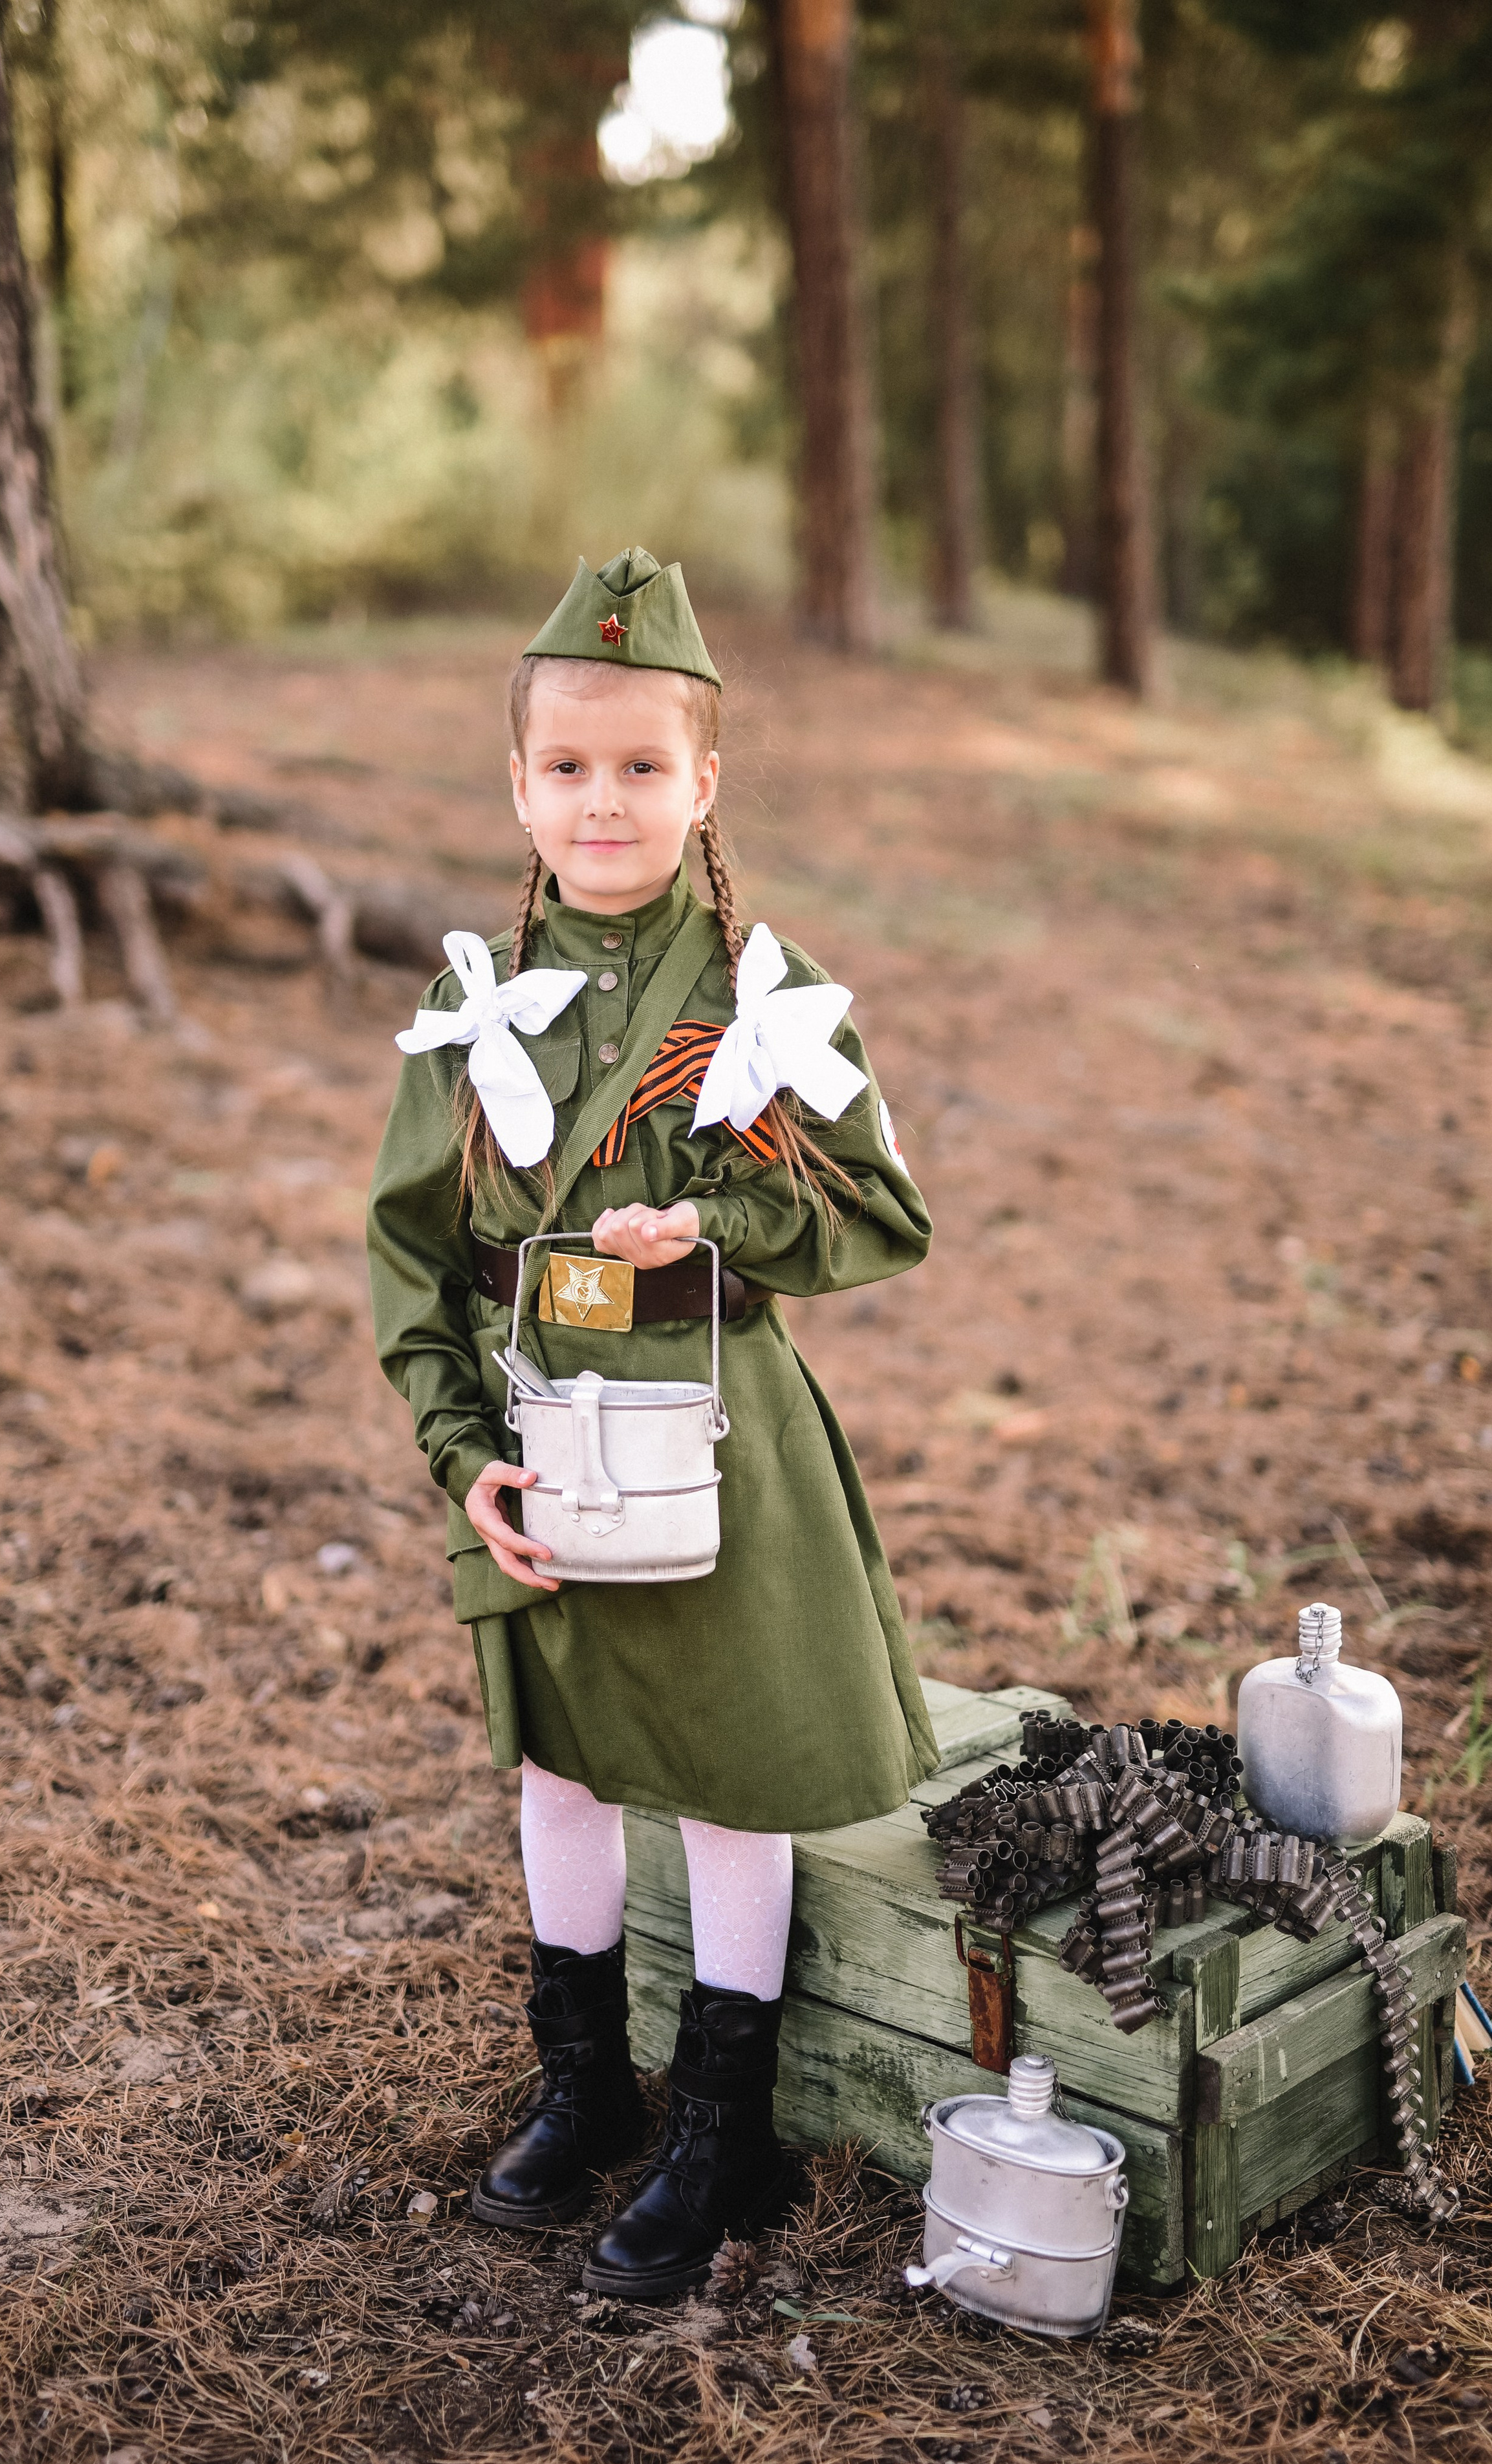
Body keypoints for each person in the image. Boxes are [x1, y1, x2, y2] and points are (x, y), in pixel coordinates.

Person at [367, 547, 938, 2300]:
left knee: (728, 1772)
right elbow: (414, 1256)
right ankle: (586, 2079)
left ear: (704, 784)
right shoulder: (474, 1015)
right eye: (564, 767)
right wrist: (468, 1459)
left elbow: (882, 1207)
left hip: (719, 1452)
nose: (599, 800)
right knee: (565, 1765)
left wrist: (722, 1225)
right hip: (547, 1445)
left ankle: (725, 2124)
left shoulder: (763, 996)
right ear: (516, 786)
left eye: (638, 766)